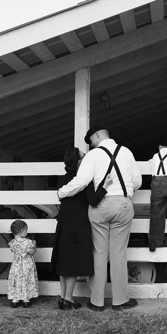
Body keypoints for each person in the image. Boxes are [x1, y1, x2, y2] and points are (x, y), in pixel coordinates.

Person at [57, 124, 142, 311]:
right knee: (119, 253)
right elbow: (138, 181)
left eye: (92, 141)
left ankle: (97, 302)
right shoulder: (126, 152)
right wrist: (123, 189)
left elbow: (81, 181)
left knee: (99, 253)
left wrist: (62, 192)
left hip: (100, 206)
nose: (92, 145)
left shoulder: (94, 155)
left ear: (97, 136)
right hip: (122, 203)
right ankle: (120, 301)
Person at [50, 147, 94, 310]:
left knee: (64, 263)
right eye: (83, 156)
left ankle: (63, 297)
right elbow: (93, 200)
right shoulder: (83, 179)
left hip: (63, 222)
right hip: (78, 223)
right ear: (79, 161)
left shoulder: (64, 179)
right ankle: (68, 298)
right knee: (72, 264)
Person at [8, 220, 37, 308]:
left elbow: (14, 251)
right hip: (26, 265)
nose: (26, 232)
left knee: (16, 281)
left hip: (16, 266)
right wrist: (35, 245)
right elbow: (31, 253)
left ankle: (15, 300)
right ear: (21, 231)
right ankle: (26, 300)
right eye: (26, 230)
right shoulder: (28, 242)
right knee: (26, 281)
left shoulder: (12, 243)